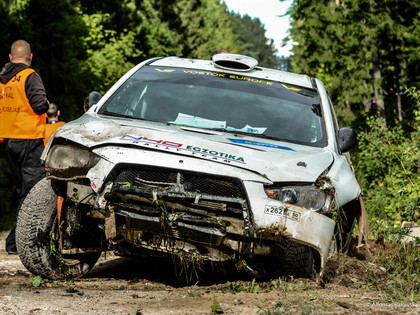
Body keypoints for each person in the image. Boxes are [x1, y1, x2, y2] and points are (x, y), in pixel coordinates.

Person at [0, 40, 49, 254]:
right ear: (31, 57)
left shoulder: (3, 81)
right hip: (29, 140)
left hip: (10, 142)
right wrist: (47, 105)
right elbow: (39, 105)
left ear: (11, 58)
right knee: (31, 195)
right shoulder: (30, 76)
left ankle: (14, 242)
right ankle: (14, 242)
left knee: (23, 193)